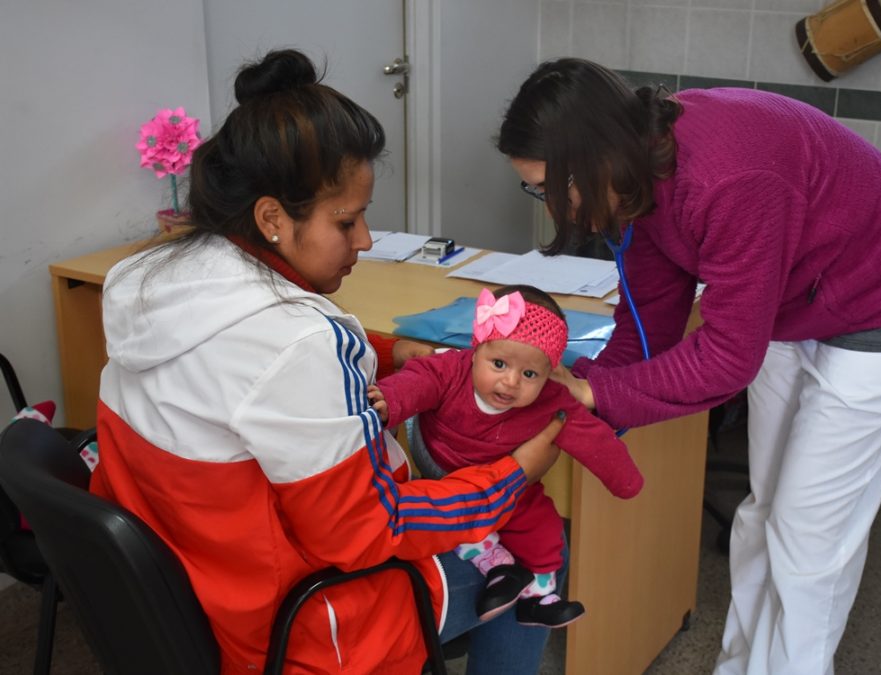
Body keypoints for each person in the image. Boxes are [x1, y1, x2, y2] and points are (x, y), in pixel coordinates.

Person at [91, 49, 566, 675]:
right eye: (348, 221)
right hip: (308, 625)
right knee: (532, 552)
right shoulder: (297, 343)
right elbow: (367, 530)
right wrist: (509, 478)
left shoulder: (156, 284)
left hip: (200, 590)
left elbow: (254, 376)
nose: (365, 240)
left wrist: (392, 353)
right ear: (272, 219)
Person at [496, 58, 881, 675]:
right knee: (765, 509)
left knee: (809, 538)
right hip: (793, 302)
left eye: (551, 187)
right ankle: (740, 665)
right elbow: (648, 324)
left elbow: (724, 360)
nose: (553, 204)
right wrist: (586, 395)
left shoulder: (727, 179)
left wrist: (595, 397)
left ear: (594, 155)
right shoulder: (636, 178)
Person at [368, 285, 643, 629]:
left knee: (544, 527)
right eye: (498, 363)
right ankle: (491, 558)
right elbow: (417, 381)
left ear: (549, 375)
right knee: (461, 522)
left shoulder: (551, 399)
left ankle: (540, 596)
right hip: (447, 478)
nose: (510, 382)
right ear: (477, 349)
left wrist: (626, 479)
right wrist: (389, 402)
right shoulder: (451, 369)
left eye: (530, 375)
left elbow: (594, 438)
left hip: (512, 486)